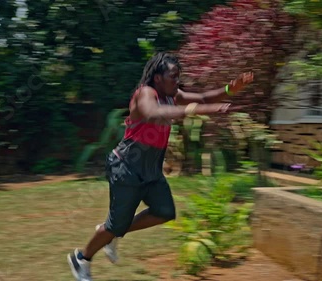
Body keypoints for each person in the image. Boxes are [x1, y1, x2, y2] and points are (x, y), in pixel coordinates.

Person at [67, 52, 254, 281]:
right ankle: (82, 258)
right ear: (157, 78)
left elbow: (204, 97)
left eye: (178, 76)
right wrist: (200, 110)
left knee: (164, 212)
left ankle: (114, 233)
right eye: (173, 76)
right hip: (126, 167)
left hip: (151, 169)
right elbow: (153, 114)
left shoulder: (172, 95)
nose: (177, 81)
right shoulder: (145, 93)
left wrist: (229, 89)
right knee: (116, 224)